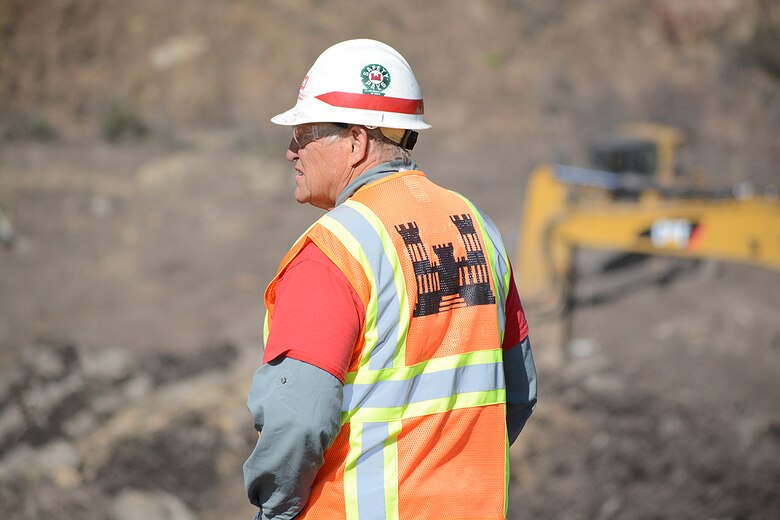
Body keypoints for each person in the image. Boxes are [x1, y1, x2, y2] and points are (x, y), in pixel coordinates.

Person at [243, 39, 537, 520]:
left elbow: (295, 420)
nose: (291, 152)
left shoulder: (334, 252)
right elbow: (519, 392)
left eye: (304, 133)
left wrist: (275, 509)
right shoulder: (478, 228)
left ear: (356, 141)